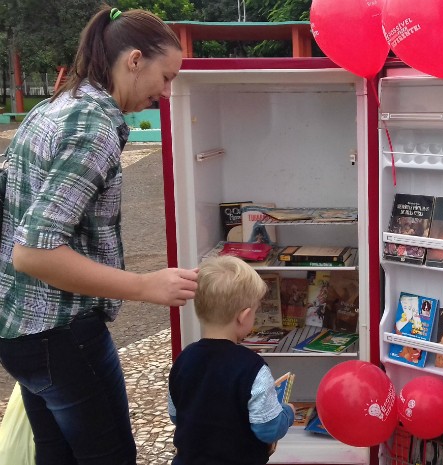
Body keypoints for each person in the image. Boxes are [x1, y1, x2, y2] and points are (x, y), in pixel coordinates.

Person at [0, 6, 198, 465]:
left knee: (56, 454)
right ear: (133, 60)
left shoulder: (55, 106)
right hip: (61, 333)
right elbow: (33, 253)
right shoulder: (94, 127)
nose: (167, 93)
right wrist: (146, 286)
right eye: (165, 77)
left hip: (19, 329)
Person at [168, 255, 295, 465]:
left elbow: (176, 415)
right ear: (243, 317)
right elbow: (268, 428)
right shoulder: (253, 368)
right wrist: (287, 414)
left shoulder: (184, 359)